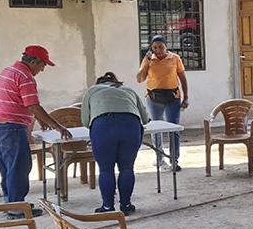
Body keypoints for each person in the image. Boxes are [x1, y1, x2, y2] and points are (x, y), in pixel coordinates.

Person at [0, 46, 71, 217]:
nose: (42, 69)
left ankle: (11, 202)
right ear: (33, 62)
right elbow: (33, 105)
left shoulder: (9, 70)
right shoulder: (26, 77)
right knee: (19, 166)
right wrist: (57, 126)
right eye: (42, 65)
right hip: (11, 125)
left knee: (7, 166)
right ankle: (17, 207)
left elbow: (24, 103)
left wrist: (38, 118)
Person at [81, 72, 148, 214]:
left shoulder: (92, 91)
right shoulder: (129, 91)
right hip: (131, 126)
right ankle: (126, 206)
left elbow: (85, 121)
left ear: (99, 83)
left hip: (103, 127)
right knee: (127, 168)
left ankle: (107, 207)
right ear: (117, 82)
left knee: (106, 169)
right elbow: (145, 118)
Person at [136, 35, 189, 172]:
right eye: (154, 47)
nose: (158, 50)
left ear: (166, 47)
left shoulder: (175, 58)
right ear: (151, 48)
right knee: (156, 129)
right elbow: (140, 79)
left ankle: (174, 160)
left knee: (173, 128)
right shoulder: (148, 59)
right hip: (154, 99)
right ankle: (159, 158)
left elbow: (182, 78)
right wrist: (146, 63)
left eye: (161, 47)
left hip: (173, 97)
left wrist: (186, 97)